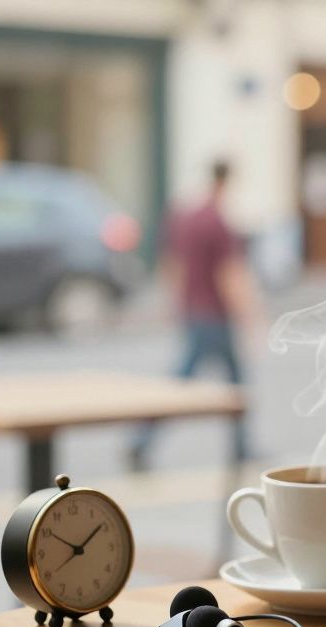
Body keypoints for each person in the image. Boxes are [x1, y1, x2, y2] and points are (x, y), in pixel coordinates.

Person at [131, 160, 259, 468]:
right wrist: (249, 315)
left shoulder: (185, 217)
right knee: (221, 384)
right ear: (227, 181)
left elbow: (171, 263)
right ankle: (142, 440)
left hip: (193, 311)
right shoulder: (217, 222)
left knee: (202, 382)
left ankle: (240, 447)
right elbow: (229, 274)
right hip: (214, 315)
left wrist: (174, 303)